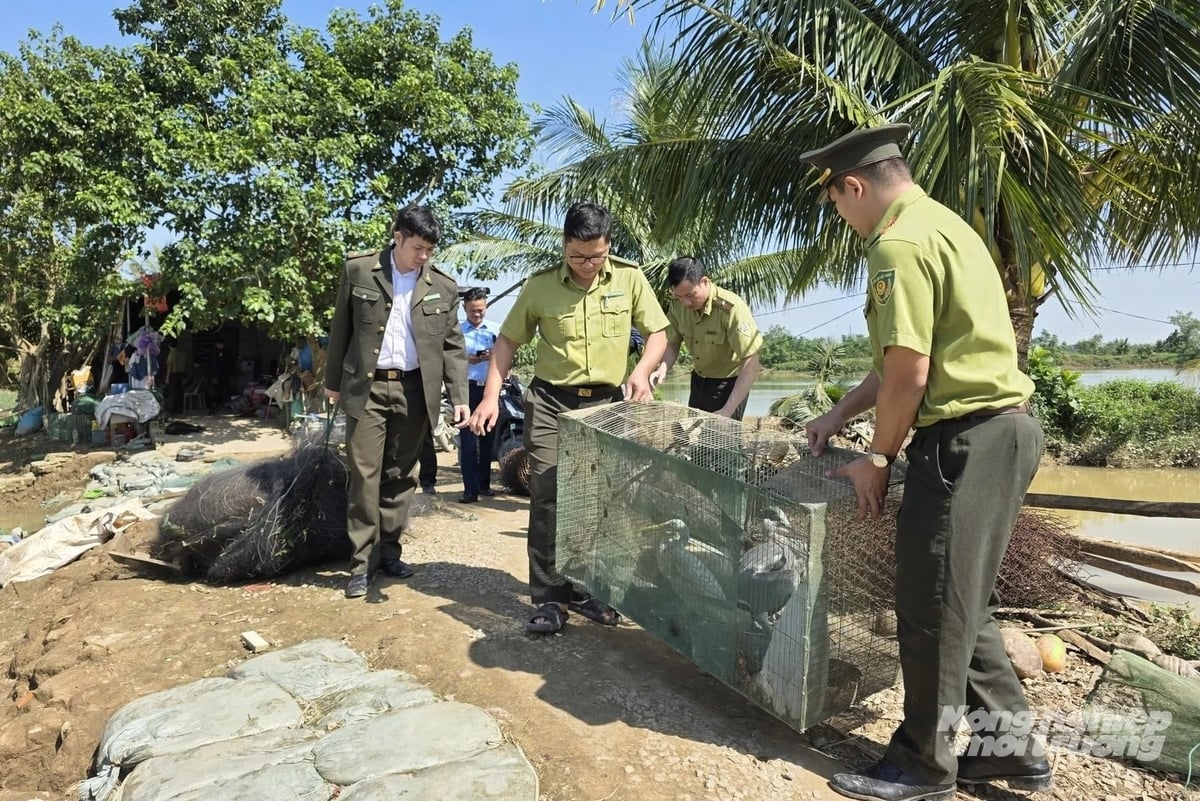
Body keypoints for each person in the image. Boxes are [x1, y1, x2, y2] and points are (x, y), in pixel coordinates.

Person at [799, 124, 1048, 801]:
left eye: (837, 204)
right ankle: (1012, 749)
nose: (843, 219)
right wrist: (837, 417)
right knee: (962, 602)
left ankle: (922, 765)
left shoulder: (896, 244)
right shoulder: (945, 226)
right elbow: (898, 365)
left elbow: (909, 370)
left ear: (854, 186)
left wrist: (877, 456)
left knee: (930, 605)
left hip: (966, 440)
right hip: (1006, 432)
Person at [468, 202, 670, 634]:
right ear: (564, 246)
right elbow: (506, 342)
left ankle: (586, 589)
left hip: (607, 406)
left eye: (595, 256)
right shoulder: (541, 286)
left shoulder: (630, 278)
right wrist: (488, 397)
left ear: (608, 246)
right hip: (552, 403)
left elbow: (657, 333)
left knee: (599, 500)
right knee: (548, 495)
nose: (586, 265)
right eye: (577, 256)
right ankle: (549, 598)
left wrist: (641, 372)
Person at [325, 205, 469, 599]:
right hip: (367, 390)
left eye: (429, 250)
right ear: (398, 236)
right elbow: (342, 328)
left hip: (414, 391)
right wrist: (333, 382)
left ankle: (389, 552)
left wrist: (459, 398)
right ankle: (360, 565)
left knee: (401, 476)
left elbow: (453, 346)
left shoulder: (443, 286)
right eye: (417, 248)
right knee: (364, 474)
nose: (423, 257)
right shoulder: (359, 270)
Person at [650, 256, 763, 419]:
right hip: (699, 382)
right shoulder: (677, 304)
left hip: (730, 385)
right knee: (695, 440)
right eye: (679, 296)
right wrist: (662, 369)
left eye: (690, 295)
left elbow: (752, 364)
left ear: (704, 281)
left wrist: (727, 410)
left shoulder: (731, 309)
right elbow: (673, 343)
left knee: (724, 441)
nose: (686, 303)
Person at [456, 287, 500, 503]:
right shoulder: (456, 331)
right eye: (473, 310)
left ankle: (484, 485)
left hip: (488, 392)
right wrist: (467, 359)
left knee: (487, 440)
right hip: (466, 390)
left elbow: (507, 360)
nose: (477, 314)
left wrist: (494, 357)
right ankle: (469, 490)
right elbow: (448, 359)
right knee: (468, 441)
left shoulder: (495, 330)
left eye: (481, 310)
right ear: (465, 309)